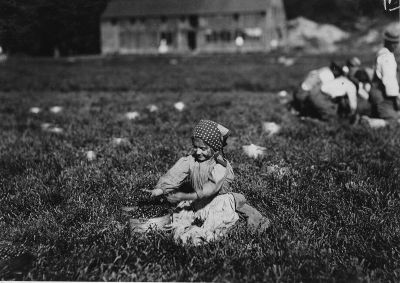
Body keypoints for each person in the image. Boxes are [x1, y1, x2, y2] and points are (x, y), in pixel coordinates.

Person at [148, 120, 270, 245]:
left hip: (217, 200)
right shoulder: (190, 161)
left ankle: (204, 236)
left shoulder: (221, 165)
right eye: (195, 147)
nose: (198, 151)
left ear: (214, 148)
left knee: (216, 221)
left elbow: (212, 187)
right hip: (196, 200)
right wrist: (160, 189)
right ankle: (183, 232)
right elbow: (175, 175)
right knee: (180, 217)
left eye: (203, 148)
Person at [369, 28, 400, 121]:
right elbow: (389, 79)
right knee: (392, 121)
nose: (397, 46)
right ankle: (368, 123)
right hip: (384, 95)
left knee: (378, 116)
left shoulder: (381, 54)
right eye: (396, 43)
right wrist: (396, 98)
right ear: (392, 44)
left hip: (377, 94)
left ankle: (370, 122)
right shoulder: (387, 57)